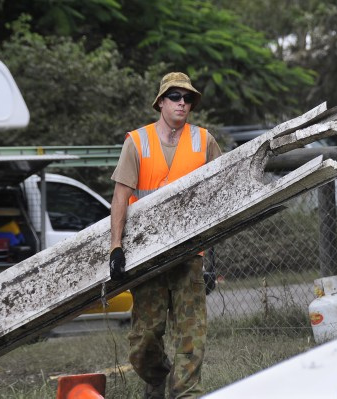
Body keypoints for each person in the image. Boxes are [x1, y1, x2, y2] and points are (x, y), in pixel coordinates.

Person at [109, 72, 222, 399]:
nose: (182, 103)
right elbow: (120, 198)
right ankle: (160, 380)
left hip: (190, 256)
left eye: (188, 98)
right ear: (160, 102)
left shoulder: (204, 141)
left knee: (192, 335)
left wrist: (209, 251)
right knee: (144, 340)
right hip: (147, 257)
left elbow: (221, 192)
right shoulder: (137, 141)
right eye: (175, 97)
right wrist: (116, 248)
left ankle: (186, 392)